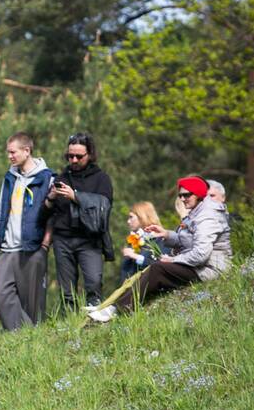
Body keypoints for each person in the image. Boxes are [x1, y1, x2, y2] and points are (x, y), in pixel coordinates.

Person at [90, 175, 232, 322]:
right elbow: (189, 240)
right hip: (200, 266)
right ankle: (112, 306)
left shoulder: (208, 216)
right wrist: (166, 234)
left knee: (158, 268)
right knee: (154, 270)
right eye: (180, 195)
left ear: (199, 195)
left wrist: (174, 260)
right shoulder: (197, 211)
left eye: (187, 195)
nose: (182, 199)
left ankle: (117, 310)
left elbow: (201, 253)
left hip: (211, 269)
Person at [39, 132, 114, 309]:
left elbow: (104, 208)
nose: (73, 160)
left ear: (90, 155)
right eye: (70, 156)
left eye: (78, 156)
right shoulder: (61, 178)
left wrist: (76, 197)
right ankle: (70, 326)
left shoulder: (101, 179)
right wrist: (50, 198)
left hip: (89, 239)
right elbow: (44, 216)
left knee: (94, 283)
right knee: (67, 292)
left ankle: (94, 321)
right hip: (62, 240)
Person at [0, 132, 52, 330]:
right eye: (8, 152)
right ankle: (24, 333)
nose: (9, 156)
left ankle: (30, 342)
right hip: (6, 248)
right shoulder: (10, 176)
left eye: (13, 152)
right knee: (1, 296)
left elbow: (53, 216)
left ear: (26, 151)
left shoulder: (47, 178)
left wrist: (45, 244)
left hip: (32, 247)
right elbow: (2, 207)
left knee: (32, 303)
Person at [119, 201, 162, 281]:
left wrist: (135, 256)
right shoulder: (134, 240)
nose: (128, 221)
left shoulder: (160, 238)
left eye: (131, 217)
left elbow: (159, 266)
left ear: (142, 216)